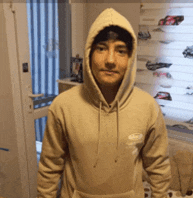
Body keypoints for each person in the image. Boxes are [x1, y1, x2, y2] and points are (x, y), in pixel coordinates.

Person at [37, 8, 171, 198]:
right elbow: (49, 168)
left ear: (130, 57)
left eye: (120, 50)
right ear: (89, 53)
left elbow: (159, 168)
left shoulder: (148, 107)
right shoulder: (63, 106)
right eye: (101, 48)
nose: (110, 60)